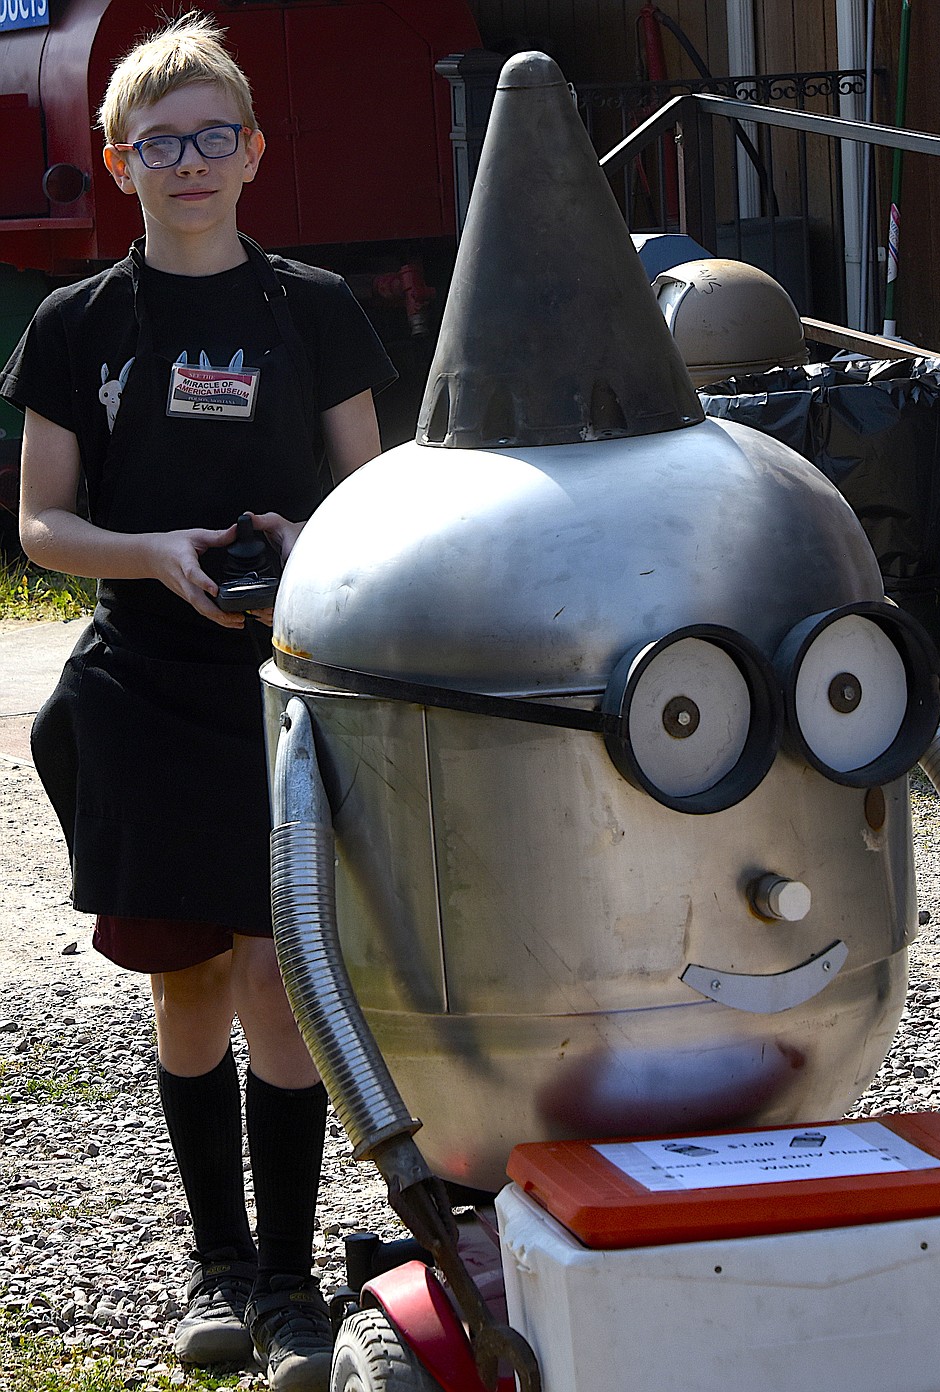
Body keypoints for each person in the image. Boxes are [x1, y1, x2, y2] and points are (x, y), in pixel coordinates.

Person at [0, 13, 395, 1390]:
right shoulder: (77, 325)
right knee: (185, 986)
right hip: (143, 693)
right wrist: (151, 555)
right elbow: (45, 526)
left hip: (288, 684)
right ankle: (216, 1271)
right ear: (116, 162)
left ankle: (290, 1291)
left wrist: (306, 548)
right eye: (158, 141)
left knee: (279, 982)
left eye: (212, 135)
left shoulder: (315, 308)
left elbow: (377, 497)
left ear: (253, 153)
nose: (188, 161)